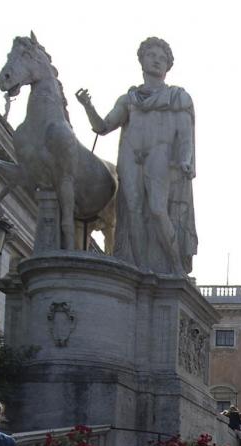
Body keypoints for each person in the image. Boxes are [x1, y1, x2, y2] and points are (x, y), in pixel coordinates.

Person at [75, 37, 196, 275]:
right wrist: (88, 106)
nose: (157, 61)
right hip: (130, 156)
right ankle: (140, 271)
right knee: (132, 212)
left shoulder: (177, 97)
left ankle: (174, 265)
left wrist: (185, 160)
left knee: (158, 209)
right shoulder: (128, 99)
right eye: (152, 55)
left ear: (168, 66)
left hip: (159, 154)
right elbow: (102, 127)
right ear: (142, 60)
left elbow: (185, 136)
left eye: (162, 58)